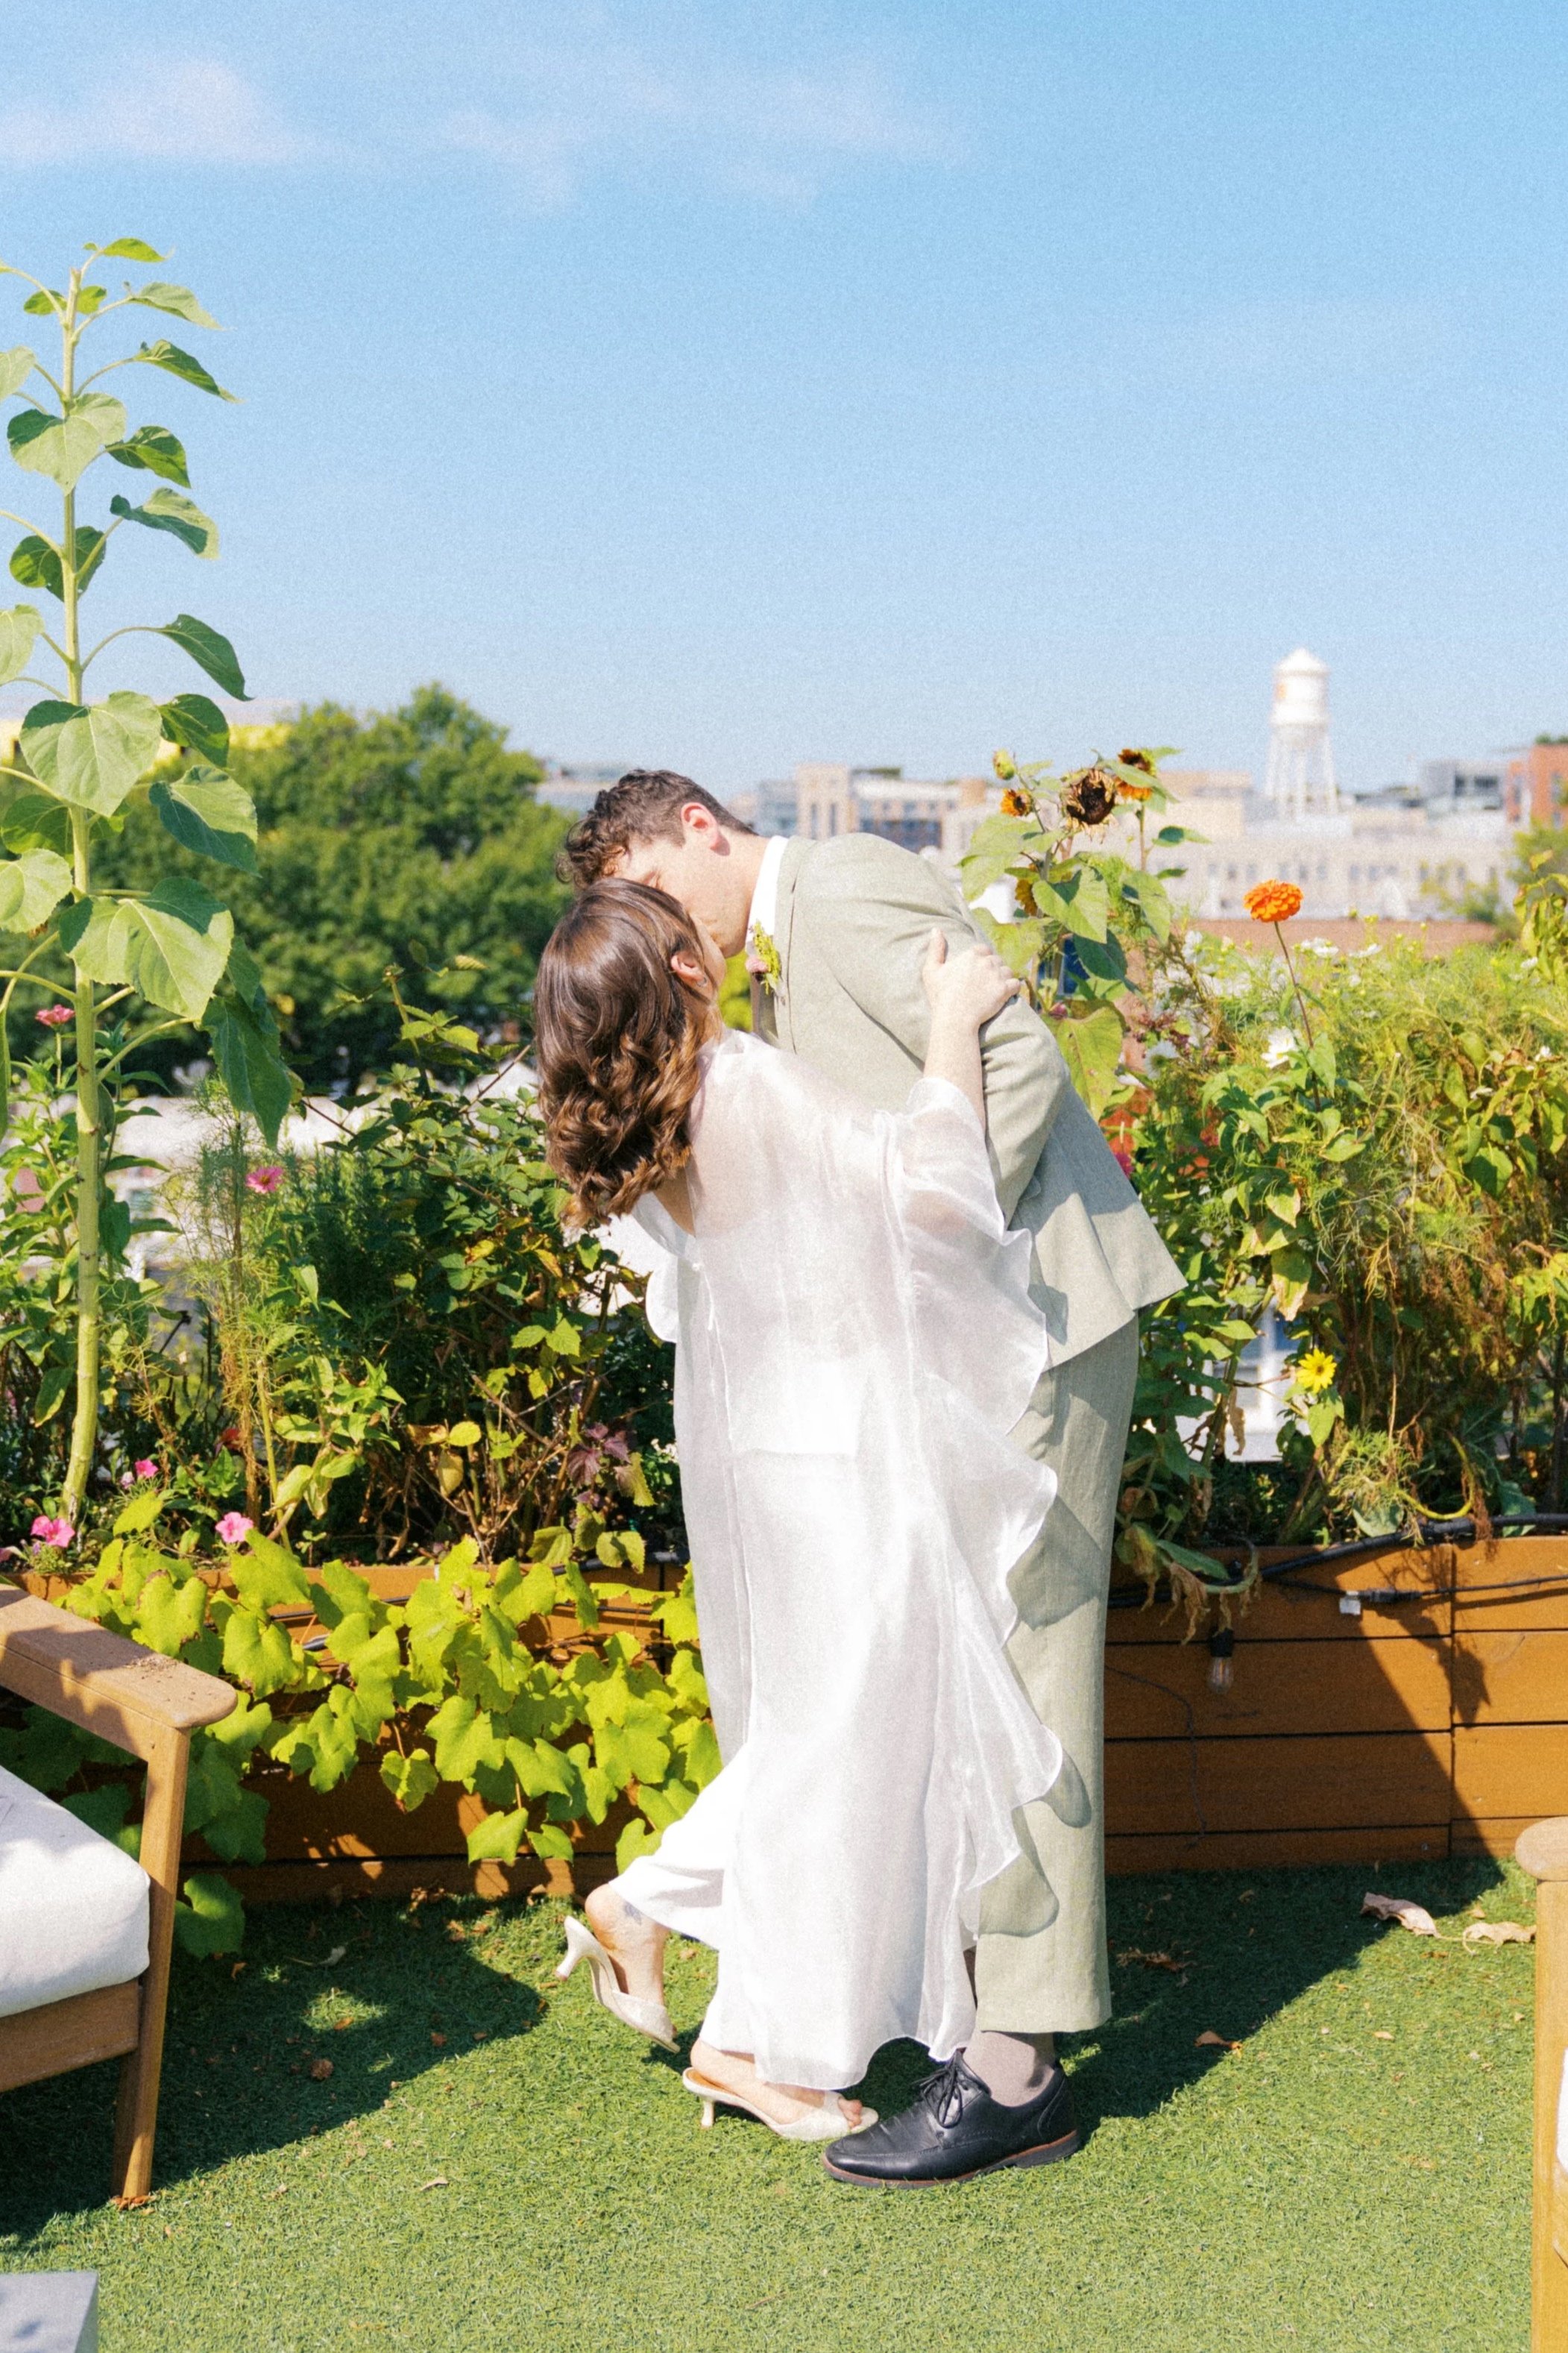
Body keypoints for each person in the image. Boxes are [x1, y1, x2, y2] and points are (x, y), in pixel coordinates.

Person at [556, 772, 1183, 2187]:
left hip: (1033, 1321)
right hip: (955, 1353)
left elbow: (1011, 1076)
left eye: (656, 881)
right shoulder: (759, 982)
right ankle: (946, 1998)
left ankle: (1018, 2069)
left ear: (703, 829)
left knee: (1021, 1674)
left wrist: (926, 1258)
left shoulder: (838, 888)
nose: (659, 918)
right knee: (943, 1665)